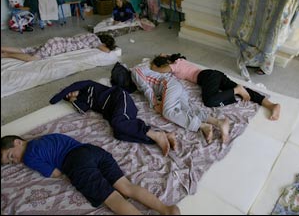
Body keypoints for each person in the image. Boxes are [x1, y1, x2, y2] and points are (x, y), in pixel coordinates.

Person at [1, 134, 180, 215]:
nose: (14, 161)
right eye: (9, 162)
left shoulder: (28, 156)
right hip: (93, 151)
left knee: (112, 198)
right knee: (127, 187)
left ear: (18, 142)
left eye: (10, 156)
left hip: (76, 163)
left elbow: (54, 172)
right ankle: (166, 209)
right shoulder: (46, 137)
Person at [49, 80, 177, 156]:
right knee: (118, 133)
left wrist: (61, 95)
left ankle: (158, 135)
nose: (70, 94)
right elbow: (82, 110)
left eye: (69, 92)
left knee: (118, 123)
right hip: (115, 112)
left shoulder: (87, 85)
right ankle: (163, 136)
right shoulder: (83, 101)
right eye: (68, 96)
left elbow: (69, 89)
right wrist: (72, 100)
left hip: (119, 98)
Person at [150, 54, 281, 121]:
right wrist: (163, 56)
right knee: (244, 91)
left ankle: (236, 90)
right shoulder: (180, 60)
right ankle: (271, 105)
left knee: (209, 101)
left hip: (206, 77)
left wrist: (153, 65)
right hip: (214, 74)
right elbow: (165, 56)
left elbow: (158, 69)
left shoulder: (175, 65)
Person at [131, 61, 230, 144]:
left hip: (168, 85)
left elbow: (146, 88)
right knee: (186, 109)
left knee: (168, 112)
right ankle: (218, 122)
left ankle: (202, 125)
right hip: (175, 86)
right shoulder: (140, 74)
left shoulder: (135, 71)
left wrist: (155, 104)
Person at [1, 32, 116, 62]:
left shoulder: (91, 35)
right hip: (57, 46)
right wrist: (112, 47)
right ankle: (6, 55)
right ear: (104, 43)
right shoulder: (96, 41)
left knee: (25, 50)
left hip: (57, 41)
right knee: (31, 58)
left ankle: (3, 49)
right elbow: (106, 50)